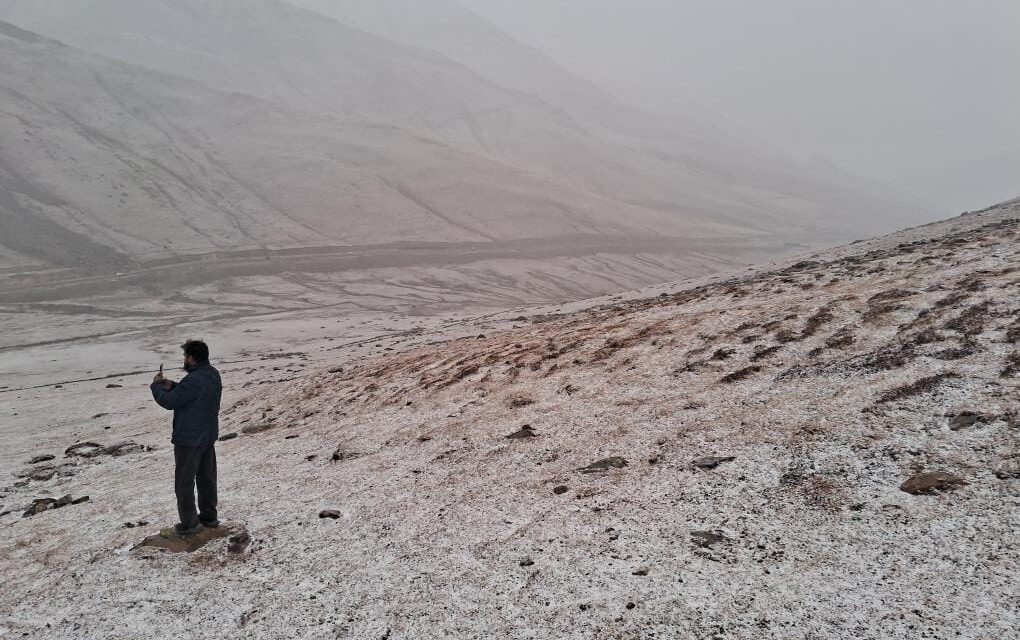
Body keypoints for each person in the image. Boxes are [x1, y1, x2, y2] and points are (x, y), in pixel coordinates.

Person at [151, 339, 223, 536]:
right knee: (207, 478)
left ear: (191, 358)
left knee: (184, 483)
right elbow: (193, 394)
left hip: (189, 439)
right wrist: (172, 385)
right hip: (207, 436)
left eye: (185, 356)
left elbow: (169, 402)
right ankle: (209, 517)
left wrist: (157, 386)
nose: (184, 359)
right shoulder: (212, 374)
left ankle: (190, 525)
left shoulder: (193, 380)